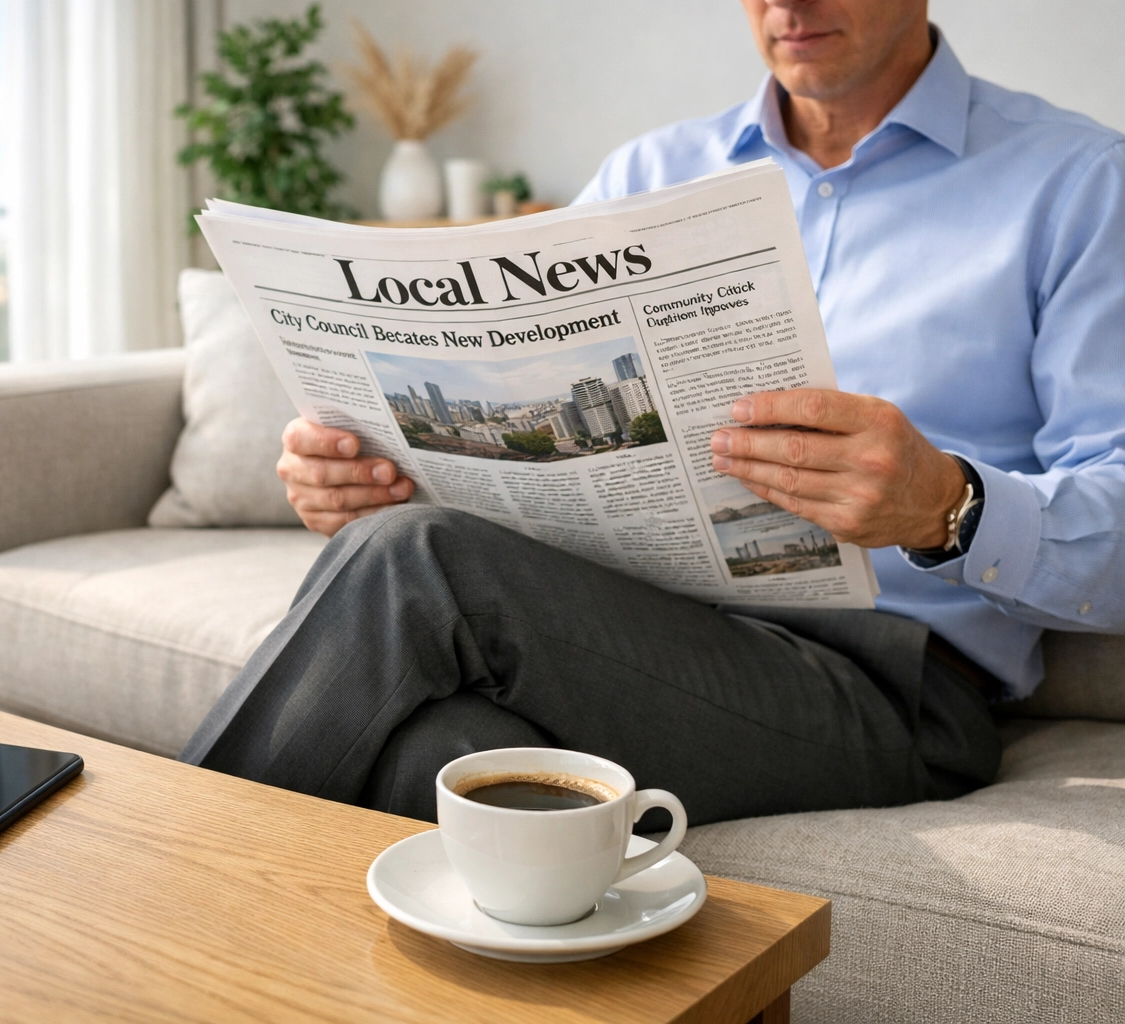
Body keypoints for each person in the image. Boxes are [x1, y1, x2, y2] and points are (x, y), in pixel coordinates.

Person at [180, 0, 1125, 826]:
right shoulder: (654, 172)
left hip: (892, 688)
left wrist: (945, 506)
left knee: (417, 561)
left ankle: (139, 894)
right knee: (439, 751)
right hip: (630, 635)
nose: (785, 3)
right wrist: (368, 465)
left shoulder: (1078, 184)